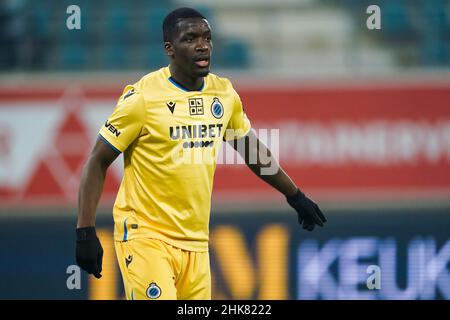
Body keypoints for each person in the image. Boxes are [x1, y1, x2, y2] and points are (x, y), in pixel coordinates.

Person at [76, 7, 326, 300]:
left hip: (196, 244)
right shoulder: (143, 98)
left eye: (207, 37)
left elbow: (250, 149)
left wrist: (295, 195)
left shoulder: (224, 94)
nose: (202, 45)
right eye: (190, 38)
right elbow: (98, 161)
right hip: (146, 238)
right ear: (169, 49)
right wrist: (85, 231)